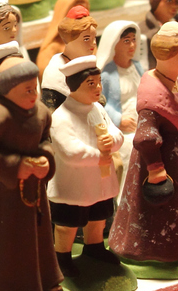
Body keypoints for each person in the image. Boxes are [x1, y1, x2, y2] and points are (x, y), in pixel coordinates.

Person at [108, 23, 178, 266]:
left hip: (176, 154)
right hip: (160, 162)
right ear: (166, 55)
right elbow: (145, 135)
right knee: (161, 206)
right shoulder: (153, 92)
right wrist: (155, 167)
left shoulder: (175, 83)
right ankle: (159, 251)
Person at [48, 56, 123, 278]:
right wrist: (99, 155)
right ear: (75, 85)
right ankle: (62, 257)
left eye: (99, 82)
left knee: (98, 216)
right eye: (91, 84)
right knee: (68, 223)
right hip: (73, 183)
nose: (98, 88)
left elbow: (116, 133)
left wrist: (113, 140)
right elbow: (70, 151)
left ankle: (95, 247)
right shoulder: (61, 117)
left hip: (99, 180)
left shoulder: (97, 110)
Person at [98, 21, 143, 134]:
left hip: (142, 122)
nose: (132, 45)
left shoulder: (137, 67)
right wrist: (117, 120)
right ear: (114, 44)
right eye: (126, 41)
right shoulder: (106, 75)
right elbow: (99, 104)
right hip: (123, 129)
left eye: (134, 40)